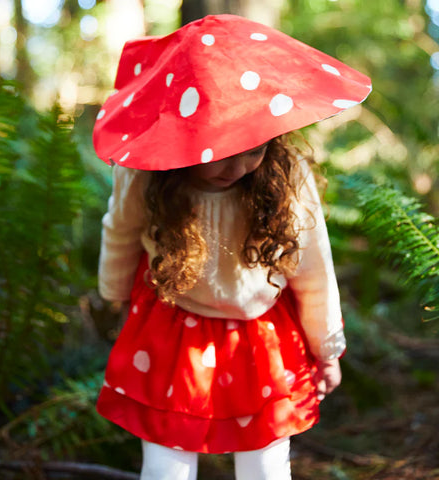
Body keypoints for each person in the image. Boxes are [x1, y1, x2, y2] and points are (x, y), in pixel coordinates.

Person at [92, 14, 371, 480]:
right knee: (166, 462)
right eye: (221, 150)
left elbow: (313, 266)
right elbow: (119, 232)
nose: (238, 165)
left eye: (253, 147)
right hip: (172, 328)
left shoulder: (287, 176)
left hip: (261, 333)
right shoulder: (146, 174)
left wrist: (326, 350)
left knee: (265, 463)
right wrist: (114, 296)